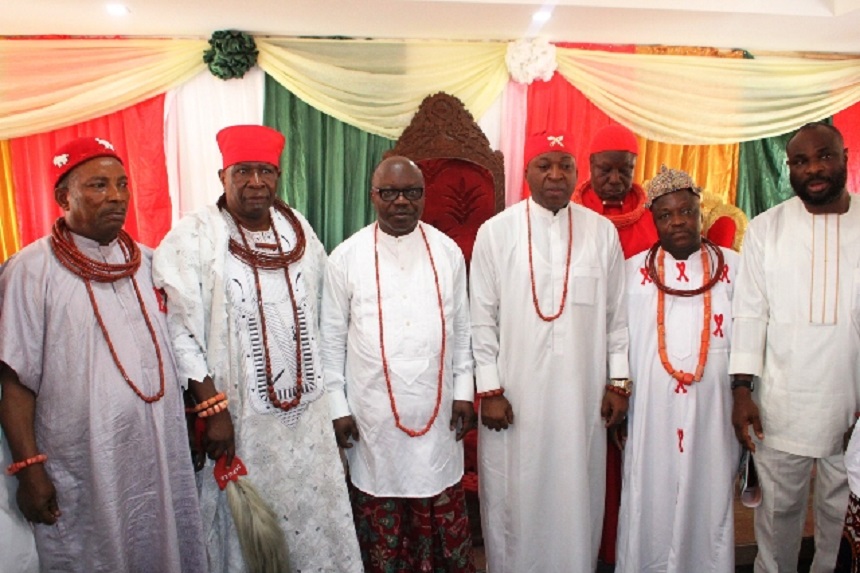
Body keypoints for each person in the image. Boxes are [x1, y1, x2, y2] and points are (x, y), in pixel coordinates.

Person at [152, 125, 362, 572]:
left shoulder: (297, 228)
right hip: (240, 420)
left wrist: (335, 401)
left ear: (278, 176)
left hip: (307, 419)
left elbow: (324, 315)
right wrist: (212, 409)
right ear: (222, 176)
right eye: (242, 171)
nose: (255, 182)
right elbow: (179, 330)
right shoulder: (194, 237)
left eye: (265, 171)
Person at [0, 137, 206, 572]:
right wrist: (29, 469)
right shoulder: (30, 270)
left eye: (122, 184)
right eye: (98, 185)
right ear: (63, 199)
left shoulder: (149, 263)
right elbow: (15, 383)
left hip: (159, 450)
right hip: (86, 463)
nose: (116, 196)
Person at [470, 131, 630, 572]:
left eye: (565, 165)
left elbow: (618, 317)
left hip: (582, 395)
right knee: (514, 497)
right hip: (514, 397)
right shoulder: (495, 233)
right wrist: (490, 389)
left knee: (577, 492)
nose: (556, 175)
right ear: (527, 172)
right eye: (545, 165)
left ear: (578, 173)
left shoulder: (601, 233)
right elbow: (481, 318)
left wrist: (618, 382)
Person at [321, 156, 476, 572]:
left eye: (411, 192)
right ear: (373, 196)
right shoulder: (346, 257)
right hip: (373, 419)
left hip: (438, 414)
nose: (401, 201)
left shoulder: (447, 252)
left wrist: (464, 391)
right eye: (389, 193)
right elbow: (330, 340)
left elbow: (463, 329)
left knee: (437, 497)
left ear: (424, 196)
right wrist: (337, 407)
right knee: (380, 507)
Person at [731, 122, 860, 573]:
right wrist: (742, 391)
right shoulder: (767, 228)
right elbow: (750, 313)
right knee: (776, 515)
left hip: (851, 405)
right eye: (800, 162)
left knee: (838, 515)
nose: (813, 169)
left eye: (823, 156)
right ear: (789, 168)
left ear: (844, 157)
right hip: (780, 405)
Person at [615, 166, 740, 572]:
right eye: (666, 215)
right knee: (650, 492)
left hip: (713, 412)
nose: (678, 221)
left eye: (686, 211)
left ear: (700, 212)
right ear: (654, 220)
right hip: (651, 411)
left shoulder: (734, 269)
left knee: (708, 494)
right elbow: (616, 339)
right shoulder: (632, 272)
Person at [573, 123, 658, 566]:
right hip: (584, 350)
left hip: (641, 351)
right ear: (590, 166)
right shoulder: (570, 216)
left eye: (624, 169)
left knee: (635, 454)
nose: (614, 178)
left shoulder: (653, 218)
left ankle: (629, 550)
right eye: (605, 169)